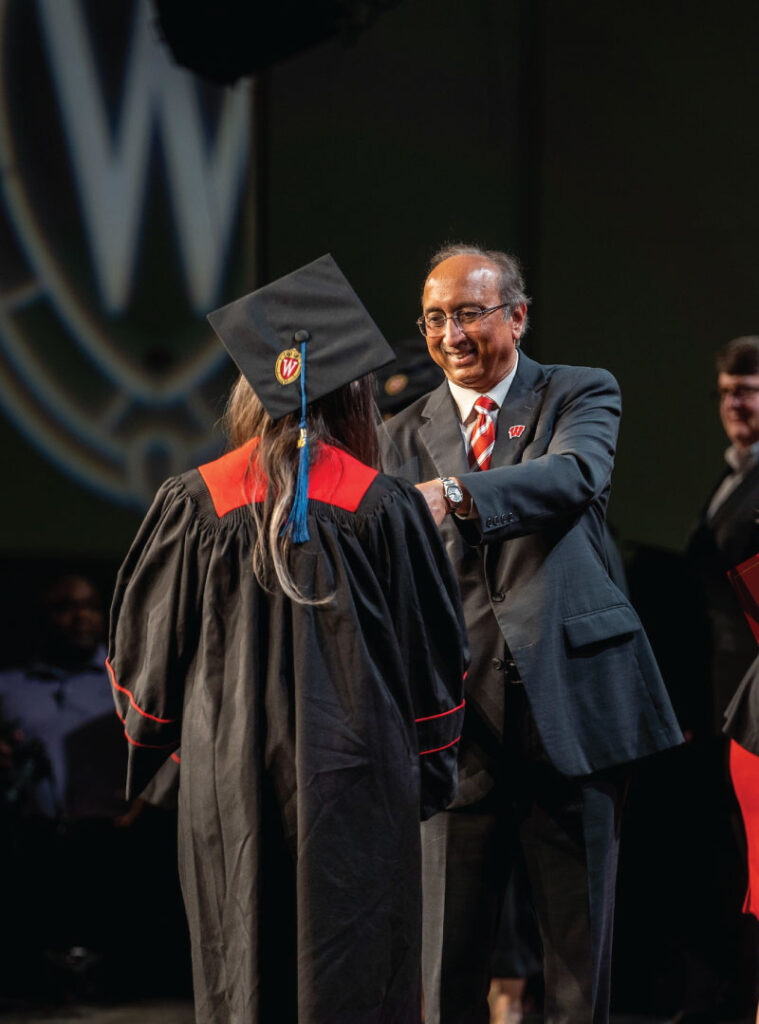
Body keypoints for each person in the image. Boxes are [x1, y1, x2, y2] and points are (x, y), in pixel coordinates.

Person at [107, 255, 468, 1024]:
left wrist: (172, 758)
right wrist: (429, 775)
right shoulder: (385, 505)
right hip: (360, 783)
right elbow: (433, 663)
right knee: (359, 971)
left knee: (240, 970)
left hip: (225, 783)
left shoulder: (194, 500)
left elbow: (143, 671)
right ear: (356, 395)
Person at [385, 243, 683, 1024]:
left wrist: (452, 493)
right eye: (434, 318)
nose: (451, 333)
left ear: (516, 315)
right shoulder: (396, 433)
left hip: (571, 713)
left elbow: (572, 476)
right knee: (445, 966)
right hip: (455, 727)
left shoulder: (578, 393)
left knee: (578, 972)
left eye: (468, 313)